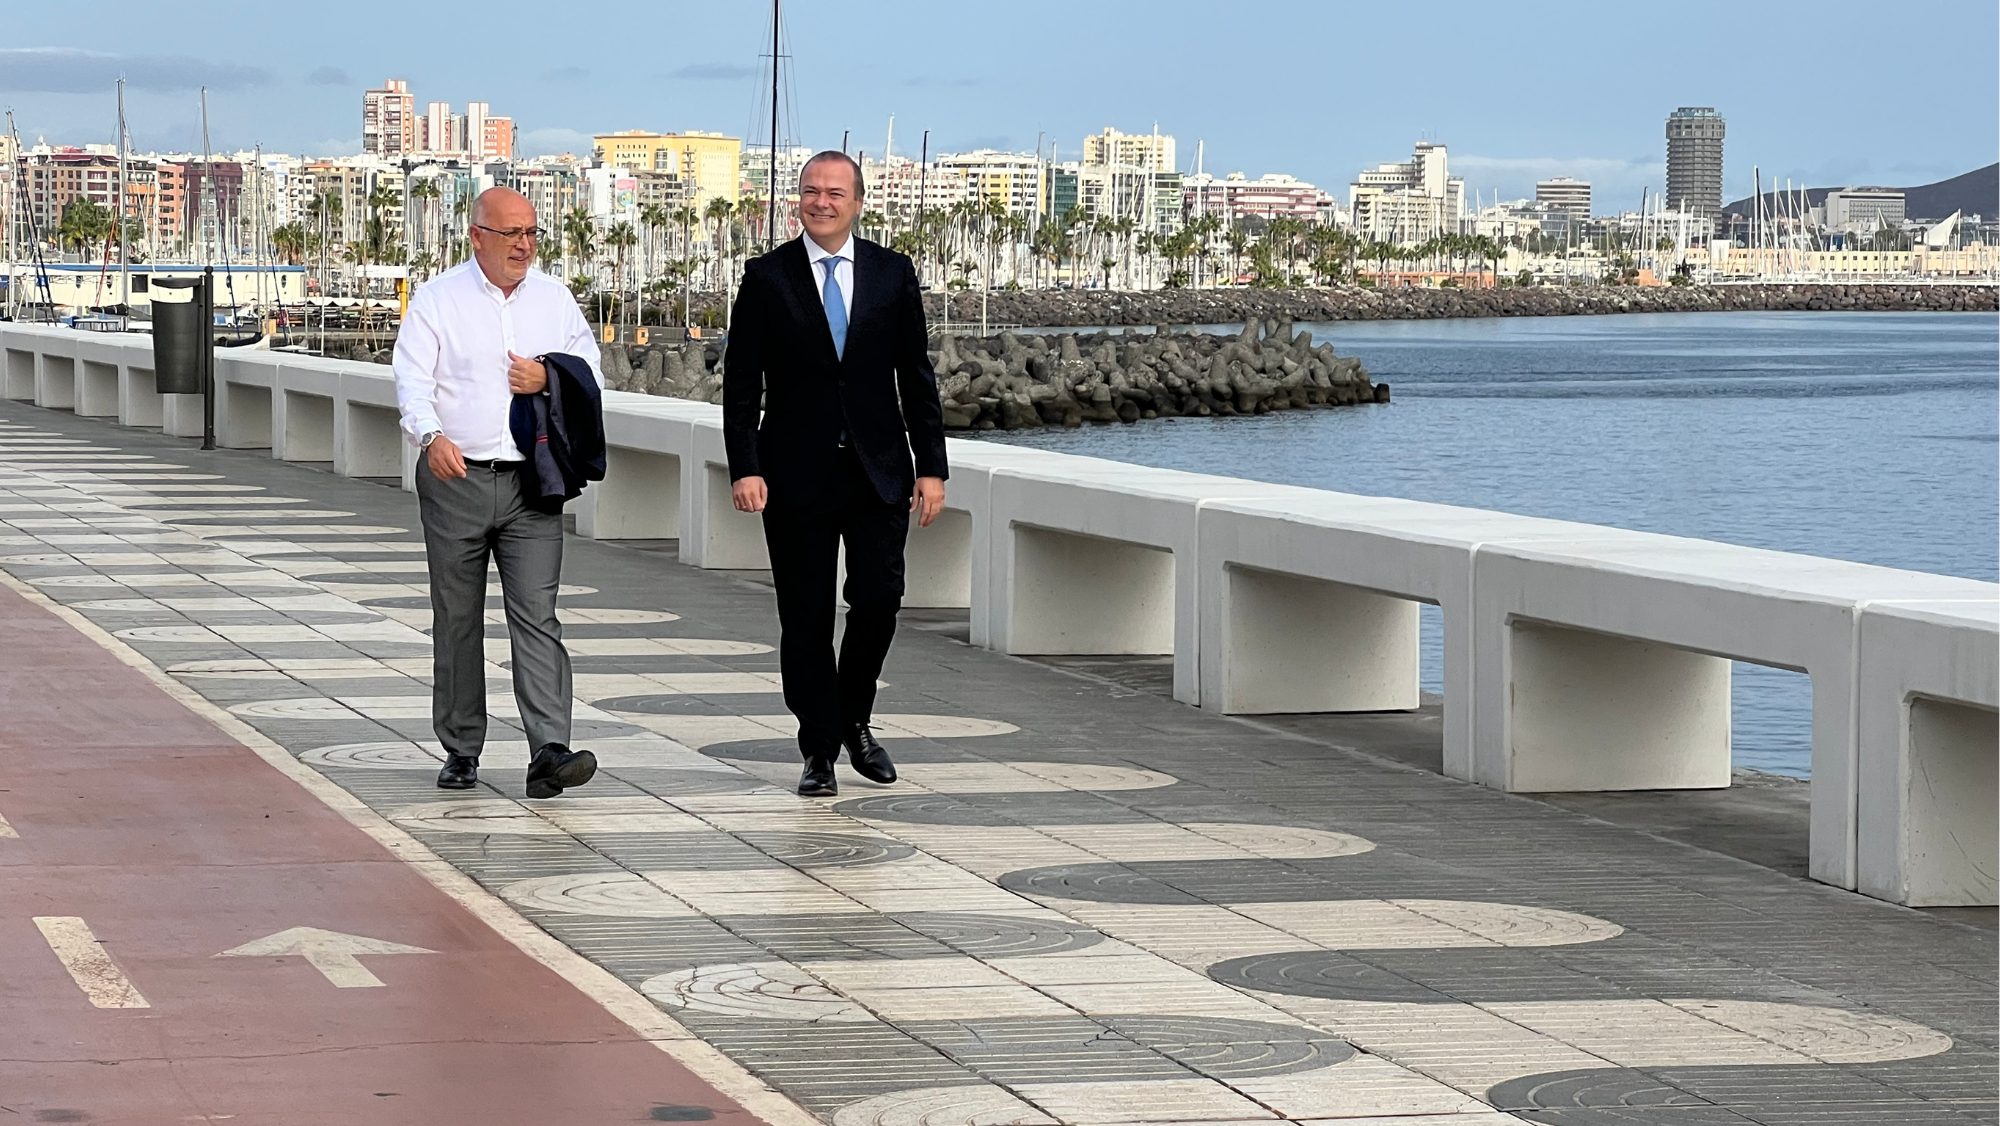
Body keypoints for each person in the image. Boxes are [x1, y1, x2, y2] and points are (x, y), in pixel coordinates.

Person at [724, 151, 949, 797]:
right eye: (810, 192)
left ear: (857, 202)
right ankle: (819, 750)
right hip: (794, 474)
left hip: (879, 472)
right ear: (798, 200)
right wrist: (747, 467)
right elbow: (741, 385)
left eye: (834, 193)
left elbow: (918, 378)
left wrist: (932, 469)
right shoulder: (767, 278)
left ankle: (854, 719)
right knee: (806, 618)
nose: (820, 202)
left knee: (879, 600)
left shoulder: (891, 273)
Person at [392, 186, 602, 799]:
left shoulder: (555, 299)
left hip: (532, 483)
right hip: (455, 478)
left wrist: (548, 373)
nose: (524, 245)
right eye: (511, 233)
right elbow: (412, 380)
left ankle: (549, 750)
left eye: (532, 233)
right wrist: (431, 437)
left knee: (537, 615)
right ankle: (461, 747)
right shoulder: (438, 299)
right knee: (457, 616)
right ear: (477, 236)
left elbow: (588, 371)